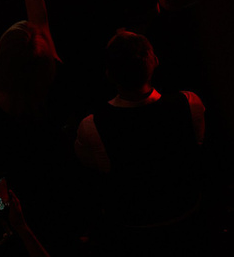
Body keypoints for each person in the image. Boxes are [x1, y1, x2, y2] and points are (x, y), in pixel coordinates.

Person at [74, 30, 207, 242]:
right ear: (154, 61)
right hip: (188, 216)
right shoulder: (189, 104)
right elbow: (196, 145)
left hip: (131, 227)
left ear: (108, 73)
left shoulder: (93, 126)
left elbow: (95, 167)